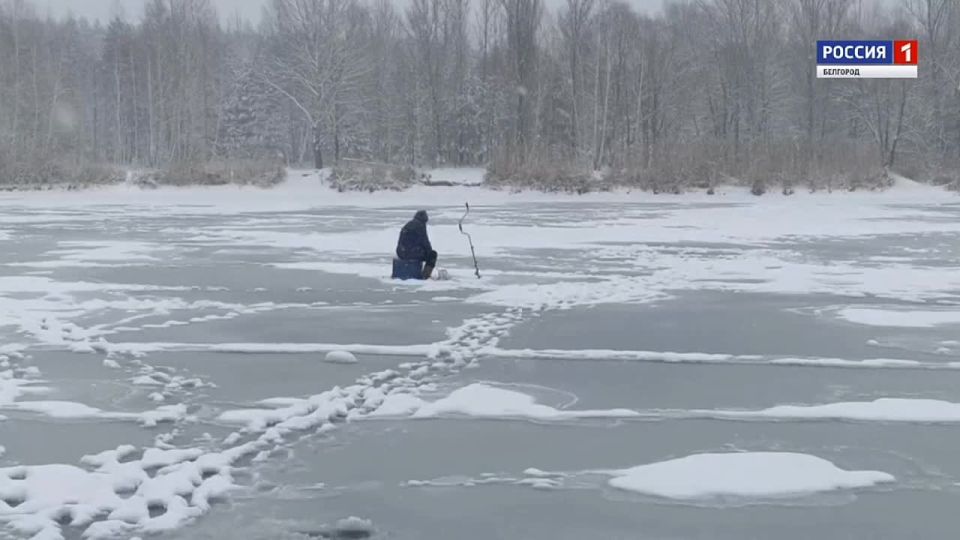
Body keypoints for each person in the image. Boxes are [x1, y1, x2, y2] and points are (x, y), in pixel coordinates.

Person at [396, 210, 438, 279]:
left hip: (400, 252)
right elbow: (425, 243)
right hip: (411, 253)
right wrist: (429, 254)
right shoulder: (420, 226)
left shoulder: (408, 224)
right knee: (433, 254)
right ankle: (426, 275)